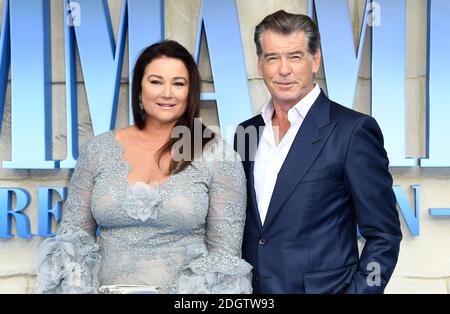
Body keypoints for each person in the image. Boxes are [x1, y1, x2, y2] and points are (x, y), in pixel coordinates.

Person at [35, 40, 252, 294]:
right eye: (156, 81)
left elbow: (224, 257)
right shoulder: (98, 150)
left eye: (178, 83)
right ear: (139, 88)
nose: (167, 93)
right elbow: (73, 241)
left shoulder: (219, 155)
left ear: (190, 91)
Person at [234, 10, 402, 294]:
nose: (284, 69)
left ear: (315, 60)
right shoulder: (245, 132)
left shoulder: (353, 131)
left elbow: (384, 235)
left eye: (295, 56)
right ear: (260, 65)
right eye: (273, 57)